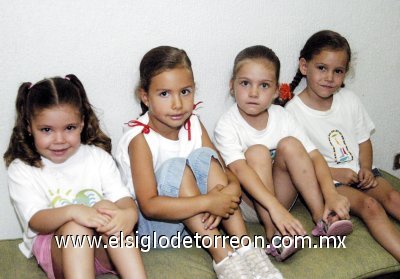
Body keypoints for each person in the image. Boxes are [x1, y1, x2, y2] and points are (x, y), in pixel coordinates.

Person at [114, 46, 283, 279]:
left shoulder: (193, 122)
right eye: (164, 94)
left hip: (194, 225)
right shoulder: (139, 138)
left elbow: (225, 172)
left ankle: (246, 248)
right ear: (145, 96)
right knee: (177, 167)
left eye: (185, 92)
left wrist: (229, 192)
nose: (177, 104)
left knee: (205, 158)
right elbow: (149, 205)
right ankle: (224, 259)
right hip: (156, 227)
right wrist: (209, 201)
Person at [213, 45, 352, 262]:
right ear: (232, 86)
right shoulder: (227, 124)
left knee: (290, 144)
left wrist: (331, 194)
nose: (253, 93)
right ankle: (274, 234)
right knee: (258, 152)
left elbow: (314, 156)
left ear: (277, 90)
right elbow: (239, 170)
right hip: (251, 204)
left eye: (264, 85)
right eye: (245, 83)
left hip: (282, 195)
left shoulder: (282, 116)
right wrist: (276, 209)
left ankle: (322, 218)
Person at [4, 75, 146, 278]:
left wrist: (129, 216)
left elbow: (122, 198)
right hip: (58, 250)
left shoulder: (98, 157)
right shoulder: (23, 168)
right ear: (29, 127)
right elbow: (36, 220)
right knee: (75, 228)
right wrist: (73, 212)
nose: (59, 140)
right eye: (46, 130)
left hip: (102, 249)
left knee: (107, 207)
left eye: (69, 128)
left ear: (82, 123)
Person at [285, 30, 400, 261]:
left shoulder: (349, 100)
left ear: (345, 73)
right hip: (329, 181)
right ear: (304, 66)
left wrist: (365, 167)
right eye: (322, 68)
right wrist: (336, 172)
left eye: (338, 71)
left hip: (361, 174)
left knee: (394, 198)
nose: (329, 77)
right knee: (371, 206)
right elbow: (300, 164)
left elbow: (363, 140)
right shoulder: (292, 112)